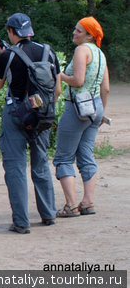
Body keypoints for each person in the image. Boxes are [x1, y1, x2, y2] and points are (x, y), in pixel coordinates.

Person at [0, 13, 61, 234]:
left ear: (11, 32)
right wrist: (39, 107)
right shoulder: (49, 53)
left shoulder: (8, 56)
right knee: (40, 163)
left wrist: (3, 56)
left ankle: (21, 222)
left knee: (15, 167)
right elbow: (57, 90)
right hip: (42, 113)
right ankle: (48, 214)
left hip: (16, 112)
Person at [53, 17, 110, 217]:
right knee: (86, 155)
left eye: (79, 31)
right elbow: (106, 88)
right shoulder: (100, 54)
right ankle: (88, 202)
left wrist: (60, 76)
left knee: (63, 157)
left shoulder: (82, 50)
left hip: (77, 109)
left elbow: (78, 81)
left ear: (89, 35)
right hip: (95, 109)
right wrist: (101, 112)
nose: (74, 33)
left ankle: (70, 205)